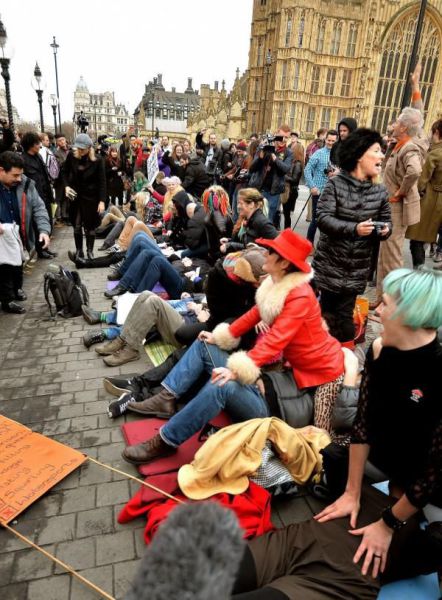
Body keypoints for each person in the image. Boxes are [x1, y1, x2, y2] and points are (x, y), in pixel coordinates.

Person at [121, 229, 345, 465]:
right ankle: (167, 396)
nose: (265, 255)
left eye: (271, 252)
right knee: (204, 345)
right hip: (292, 376)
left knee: (222, 383)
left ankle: (166, 441)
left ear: (284, 263)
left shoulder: (300, 296)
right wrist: (222, 336)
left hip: (316, 378)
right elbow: (252, 316)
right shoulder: (277, 285)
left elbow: (276, 339)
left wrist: (237, 370)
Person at [315, 267, 442, 586]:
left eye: (384, 303)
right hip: (392, 464)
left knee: (418, 551)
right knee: (333, 456)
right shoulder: (379, 350)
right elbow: (363, 422)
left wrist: (388, 524)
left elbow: (435, 471)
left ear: (410, 313)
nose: (376, 311)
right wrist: (351, 492)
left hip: (430, 483)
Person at [313, 129, 391, 347]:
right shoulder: (335, 185)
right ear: (359, 155)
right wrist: (354, 228)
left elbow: (387, 221)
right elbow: (323, 218)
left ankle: (343, 361)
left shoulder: (380, 191)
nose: (382, 156)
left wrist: (385, 230)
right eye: (376, 151)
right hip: (330, 267)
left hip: (357, 269)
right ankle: (320, 359)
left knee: (346, 318)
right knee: (325, 317)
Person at [374, 107, 426, 305]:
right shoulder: (399, 145)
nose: (394, 124)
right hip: (390, 208)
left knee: (392, 258)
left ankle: (394, 304)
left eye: (396, 122)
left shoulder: (409, 148)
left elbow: (414, 171)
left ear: (403, 127)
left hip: (397, 209)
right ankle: (381, 299)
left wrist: (401, 191)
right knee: (384, 255)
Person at [0, 152, 51, 313]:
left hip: (19, 234)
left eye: (20, 175)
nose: (18, 179)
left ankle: (16, 289)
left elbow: (39, 208)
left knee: (18, 265)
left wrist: (43, 230)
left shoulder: (27, 184)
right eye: (15, 175)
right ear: (1, 170)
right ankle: (7, 300)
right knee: (4, 268)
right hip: (2, 237)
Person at [63, 133, 106, 260]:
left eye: (82, 149)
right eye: (78, 148)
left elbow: (102, 182)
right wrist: (66, 186)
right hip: (75, 196)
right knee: (76, 225)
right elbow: (64, 172)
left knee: (90, 227)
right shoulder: (72, 155)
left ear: (89, 148)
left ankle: (90, 251)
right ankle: (79, 251)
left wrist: (102, 201)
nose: (80, 151)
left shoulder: (98, 160)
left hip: (91, 197)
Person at [406, 118, 442, 268]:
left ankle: (418, 273)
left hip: (431, 200)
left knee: (417, 239)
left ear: (437, 133)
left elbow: (422, 180)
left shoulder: (436, 153)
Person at [21, 131, 57, 259]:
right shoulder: (23, 160)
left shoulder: (39, 157)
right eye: (37, 143)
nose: (40, 146)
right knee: (37, 225)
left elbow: (45, 177)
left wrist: (51, 196)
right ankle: (41, 250)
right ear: (31, 145)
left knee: (47, 221)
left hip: (45, 194)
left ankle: (45, 247)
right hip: (34, 197)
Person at [248, 125, 293, 227]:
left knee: (267, 221)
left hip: (273, 191)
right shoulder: (263, 146)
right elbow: (252, 168)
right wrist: (260, 158)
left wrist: (275, 159)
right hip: (258, 188)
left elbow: (286, 169)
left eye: (286, 137)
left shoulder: (288, 152)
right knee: (252, 218)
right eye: (281, 136)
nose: (283, 140)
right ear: (276, 134)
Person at [303, 129, 338, 245]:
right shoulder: (318, 153)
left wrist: (337, 172)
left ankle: (325, 247)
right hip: (319, 192)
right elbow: (307, 170)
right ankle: (309, 245)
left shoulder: (339, 155)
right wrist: (312, 186)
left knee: (330, 222)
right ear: (325, 139)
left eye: (333, 141)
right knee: (316, 220)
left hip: (334, 193)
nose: (331, 143)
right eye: (329, 140)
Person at [220, 188, 277, 255]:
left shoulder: (261, 222)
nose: (238, 206)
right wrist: (229, 241)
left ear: (251, 205)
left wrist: (230, 245)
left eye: (241, 203)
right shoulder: (249, 219)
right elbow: (247, 244)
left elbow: (276, 246)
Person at [282, 142, 304, 230]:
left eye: (292, 148)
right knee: (286, 214)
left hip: (291, 191)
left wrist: (283, 176)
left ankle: (287, 233)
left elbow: (294, 179)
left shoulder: (297, 164)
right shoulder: (293, 162)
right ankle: (286, 232)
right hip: (290, 190)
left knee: (287, 215)